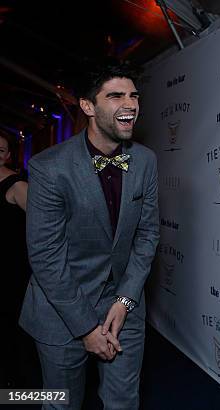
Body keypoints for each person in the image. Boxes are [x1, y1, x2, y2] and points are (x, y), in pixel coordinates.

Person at [20, 61, 160, 409]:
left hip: (122, 306)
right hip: (62, 310)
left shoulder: (145, 161)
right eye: (115, 96)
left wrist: (126, 300)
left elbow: (147, 235)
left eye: (133, 95)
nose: (130, 104)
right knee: (60, 403)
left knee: (123, 402)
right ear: (88, 107)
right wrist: (85, 328)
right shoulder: (49, 167)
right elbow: (46, 258)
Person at [0, 132, 34, 388]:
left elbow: (47, 225)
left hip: (10, 268)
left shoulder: (17, 185)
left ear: (9, 156)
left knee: (11, 324)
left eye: (1, 150)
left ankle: (15, 382)